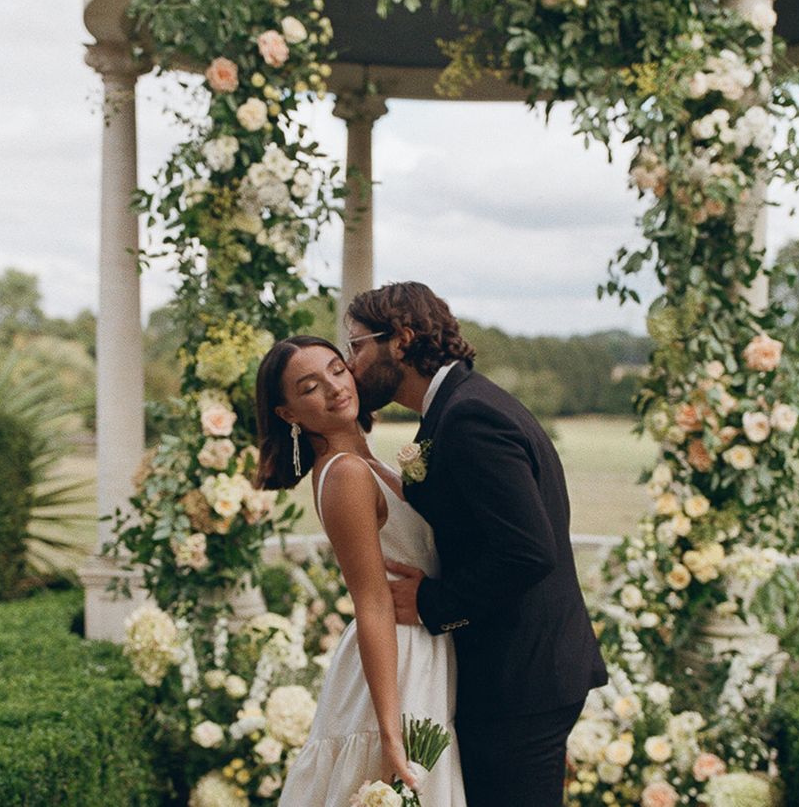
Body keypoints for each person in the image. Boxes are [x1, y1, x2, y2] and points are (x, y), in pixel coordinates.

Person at [345, 282, 608, 807]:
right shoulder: (457, 407)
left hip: (521, 677)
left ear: (400, 340)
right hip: (518, 668)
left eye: (356, 346)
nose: (350, 363)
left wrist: (432, 603)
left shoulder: (470, 417)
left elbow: (528, 550)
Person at [254, 335, 466, 806]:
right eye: (310, 387)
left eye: (336, 368)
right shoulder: (346, 474)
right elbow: (371, 602)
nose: (334, 388)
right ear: (288, 414)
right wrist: (390, 733)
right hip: (397, 664)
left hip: (425, 648)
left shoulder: (369, 464)